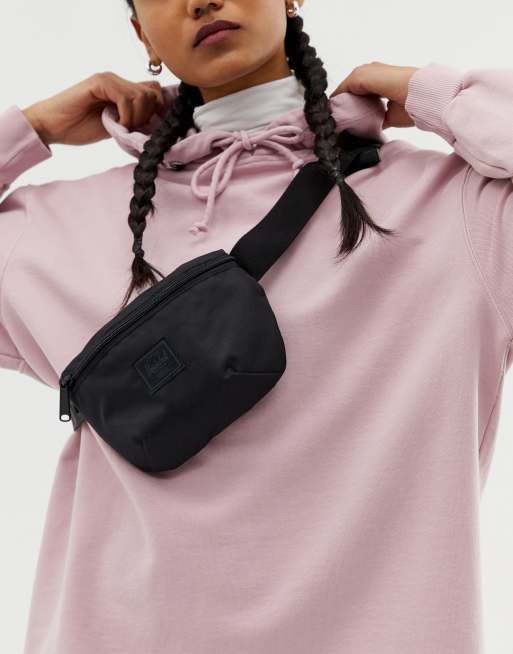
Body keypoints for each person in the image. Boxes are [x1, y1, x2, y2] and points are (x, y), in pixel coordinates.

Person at [1, 1, 512, 652]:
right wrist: (32, 126)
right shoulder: (57, 231)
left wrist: (439, 96)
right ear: (141, 35)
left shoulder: (454, 210)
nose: (200, 0)